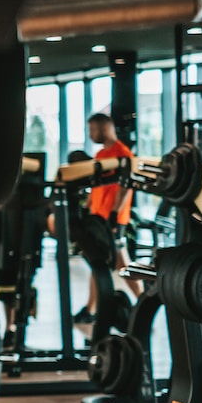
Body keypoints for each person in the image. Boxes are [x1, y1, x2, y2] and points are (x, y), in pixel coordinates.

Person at [77, 113, 136, 323]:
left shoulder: (122, 153)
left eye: (93, 130)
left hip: (113, 220)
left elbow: (126, 188)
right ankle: (90, 309)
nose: (91, 135)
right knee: (98, 262)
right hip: (98, 219)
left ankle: (143, 301)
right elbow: (95, 189)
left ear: (104, 128)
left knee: (122, 264)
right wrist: (86, 209)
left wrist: (113, 214)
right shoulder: (101, 154)